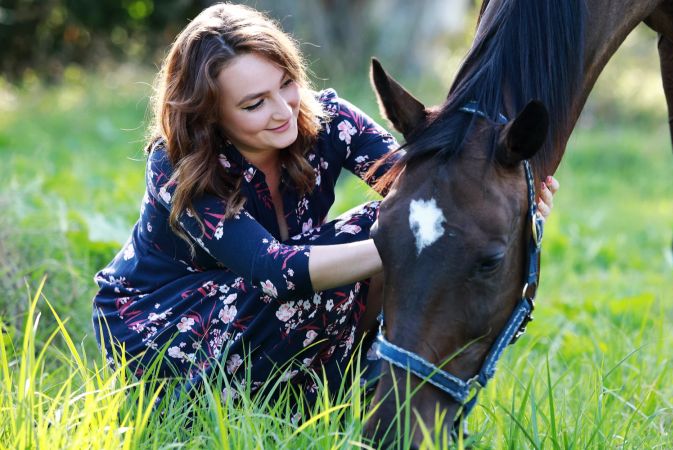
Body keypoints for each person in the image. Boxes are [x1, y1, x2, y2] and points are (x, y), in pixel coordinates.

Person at [92, 2, 560, 410]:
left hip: (266, 305)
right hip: (163, 319)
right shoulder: (179, 163)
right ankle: (310, 394)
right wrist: (408, 248)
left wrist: (506, 206)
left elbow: (432, 199)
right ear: (209, 113)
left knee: (395, 221)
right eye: (255, 104)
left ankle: (363, 387)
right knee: (376, 240)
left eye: (287, 83)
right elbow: (270, 270)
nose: (283, 110)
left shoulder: (327, 120)